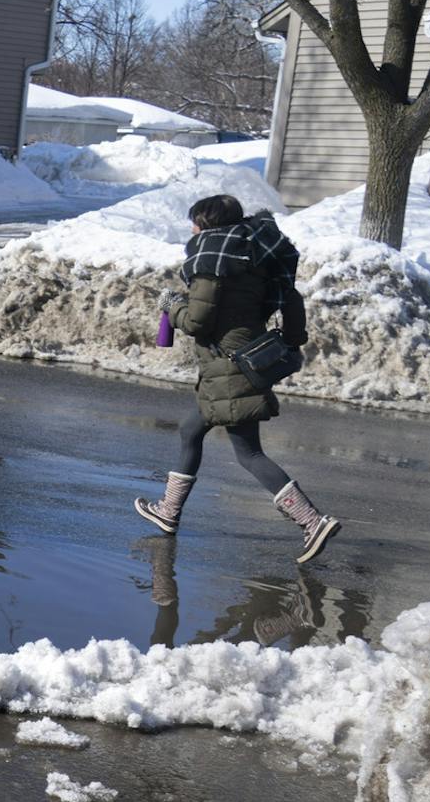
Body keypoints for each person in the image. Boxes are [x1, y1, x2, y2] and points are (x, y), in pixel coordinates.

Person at [135, 194, 341, 563]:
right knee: (190, 429)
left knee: (248, 452)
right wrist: (292, 339)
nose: (192, 229)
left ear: (207, 225)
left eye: (195, 222)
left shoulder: (212, 262)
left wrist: (172, 305)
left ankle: (312, 522)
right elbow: (291, 301)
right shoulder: (256, 256)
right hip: (243, 358)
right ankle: (168, 510)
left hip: (228, 364)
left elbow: (198, 321)